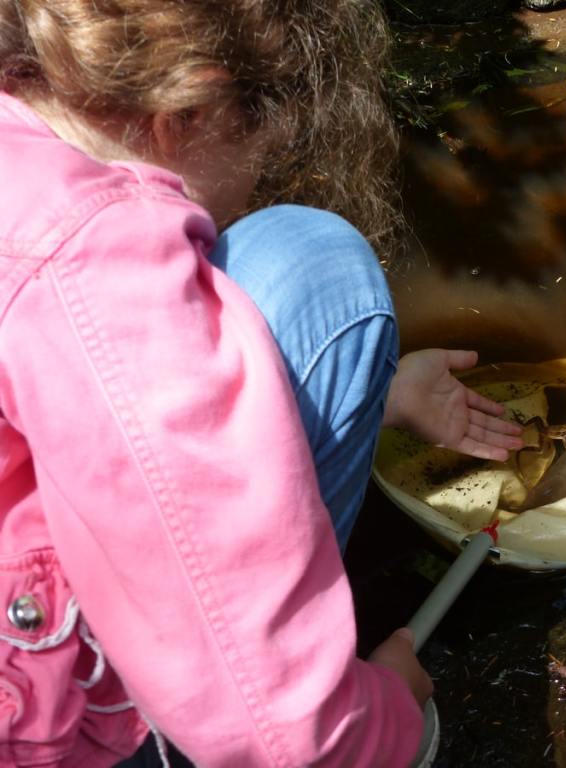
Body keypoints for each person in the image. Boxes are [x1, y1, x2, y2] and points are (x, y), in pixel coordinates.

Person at [0, 1, 522, 766]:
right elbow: (284, 735)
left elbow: (80, 416)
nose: (246, 196)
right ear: (189, 110)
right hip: (43, 729)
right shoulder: (101, 267)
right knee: (327, 272)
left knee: (295, 260)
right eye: (257, 151)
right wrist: (388, 715)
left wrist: (377, 397)